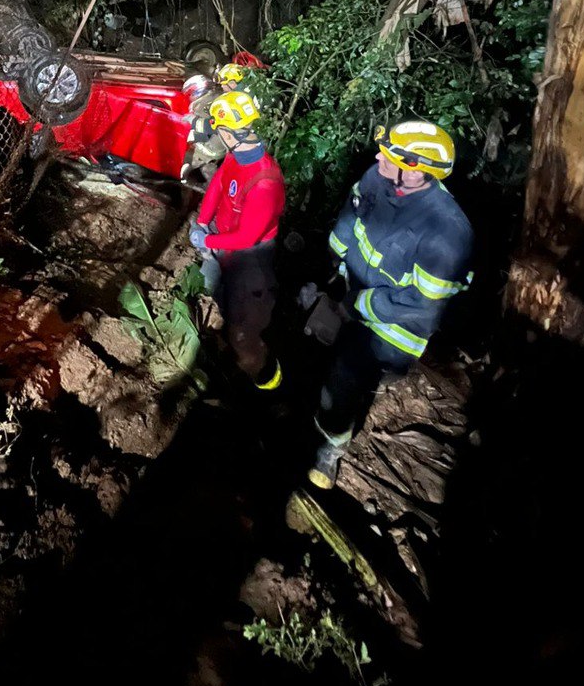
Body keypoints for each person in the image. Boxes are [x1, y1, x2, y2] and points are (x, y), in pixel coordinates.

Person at [306, 120, 474, 489]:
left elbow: (424, 309)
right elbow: (350, 221)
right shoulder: (375, 178)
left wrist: (360, 305)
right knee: (316, 340)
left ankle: (332, 444)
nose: (379, 157)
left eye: (391, 155)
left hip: (395, 326)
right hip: (354, 294)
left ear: (416, 170)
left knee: (345, 375)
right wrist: (332, 265)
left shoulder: (447, 232)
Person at [189, 91, 286, 390]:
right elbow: (219, 184)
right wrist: (204, 222)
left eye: (219, 131)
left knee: (244, 329)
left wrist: (210, 242)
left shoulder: (265, 182)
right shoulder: (236, 157)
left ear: (231, 134)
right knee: (217, 292)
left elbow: (247, 237)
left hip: (250, 259)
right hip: (226, 242)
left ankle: (262, 375)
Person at [180, 72, 226, 187]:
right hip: (223, 143)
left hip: (214, 148)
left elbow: (207, 129)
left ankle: (188, 186)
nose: (190, 97)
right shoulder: (216, 97)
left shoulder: (203, 106)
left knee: (187, 166)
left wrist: (192, 123)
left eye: (191, 94)